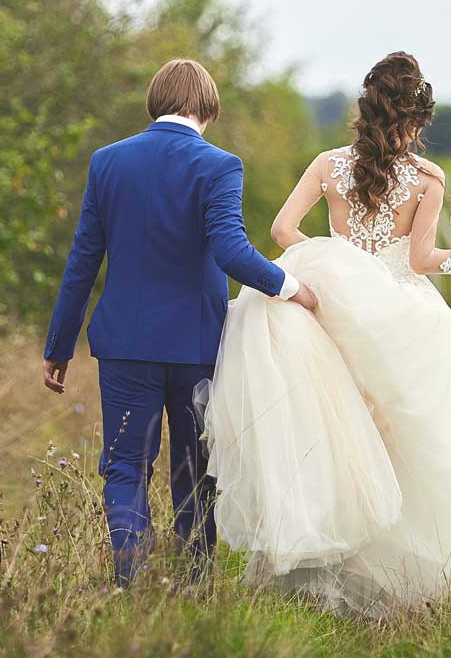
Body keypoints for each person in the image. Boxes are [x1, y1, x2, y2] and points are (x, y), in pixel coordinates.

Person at [205, 51, 451, 616]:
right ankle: (411, 571)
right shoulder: (428, 178)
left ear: (366, 110)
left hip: (334, 313)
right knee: (416, 434)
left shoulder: (327, 165)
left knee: (339, 430)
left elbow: (282, 230)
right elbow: (423, 260)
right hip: (404, 315)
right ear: (416, 120)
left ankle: (334, 559)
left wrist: (335, 265)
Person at [41, 58, 320, 588]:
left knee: (125, 467)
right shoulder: (218, 165)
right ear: (205, 108)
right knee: (193, 469)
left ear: (156, 103)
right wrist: (292, 289)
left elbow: (83, 260)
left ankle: (128, 583)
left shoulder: (108, 162)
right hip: (196, 346)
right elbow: (232, 252)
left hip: (124, 345)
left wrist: (59, 344)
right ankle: (194, 584)